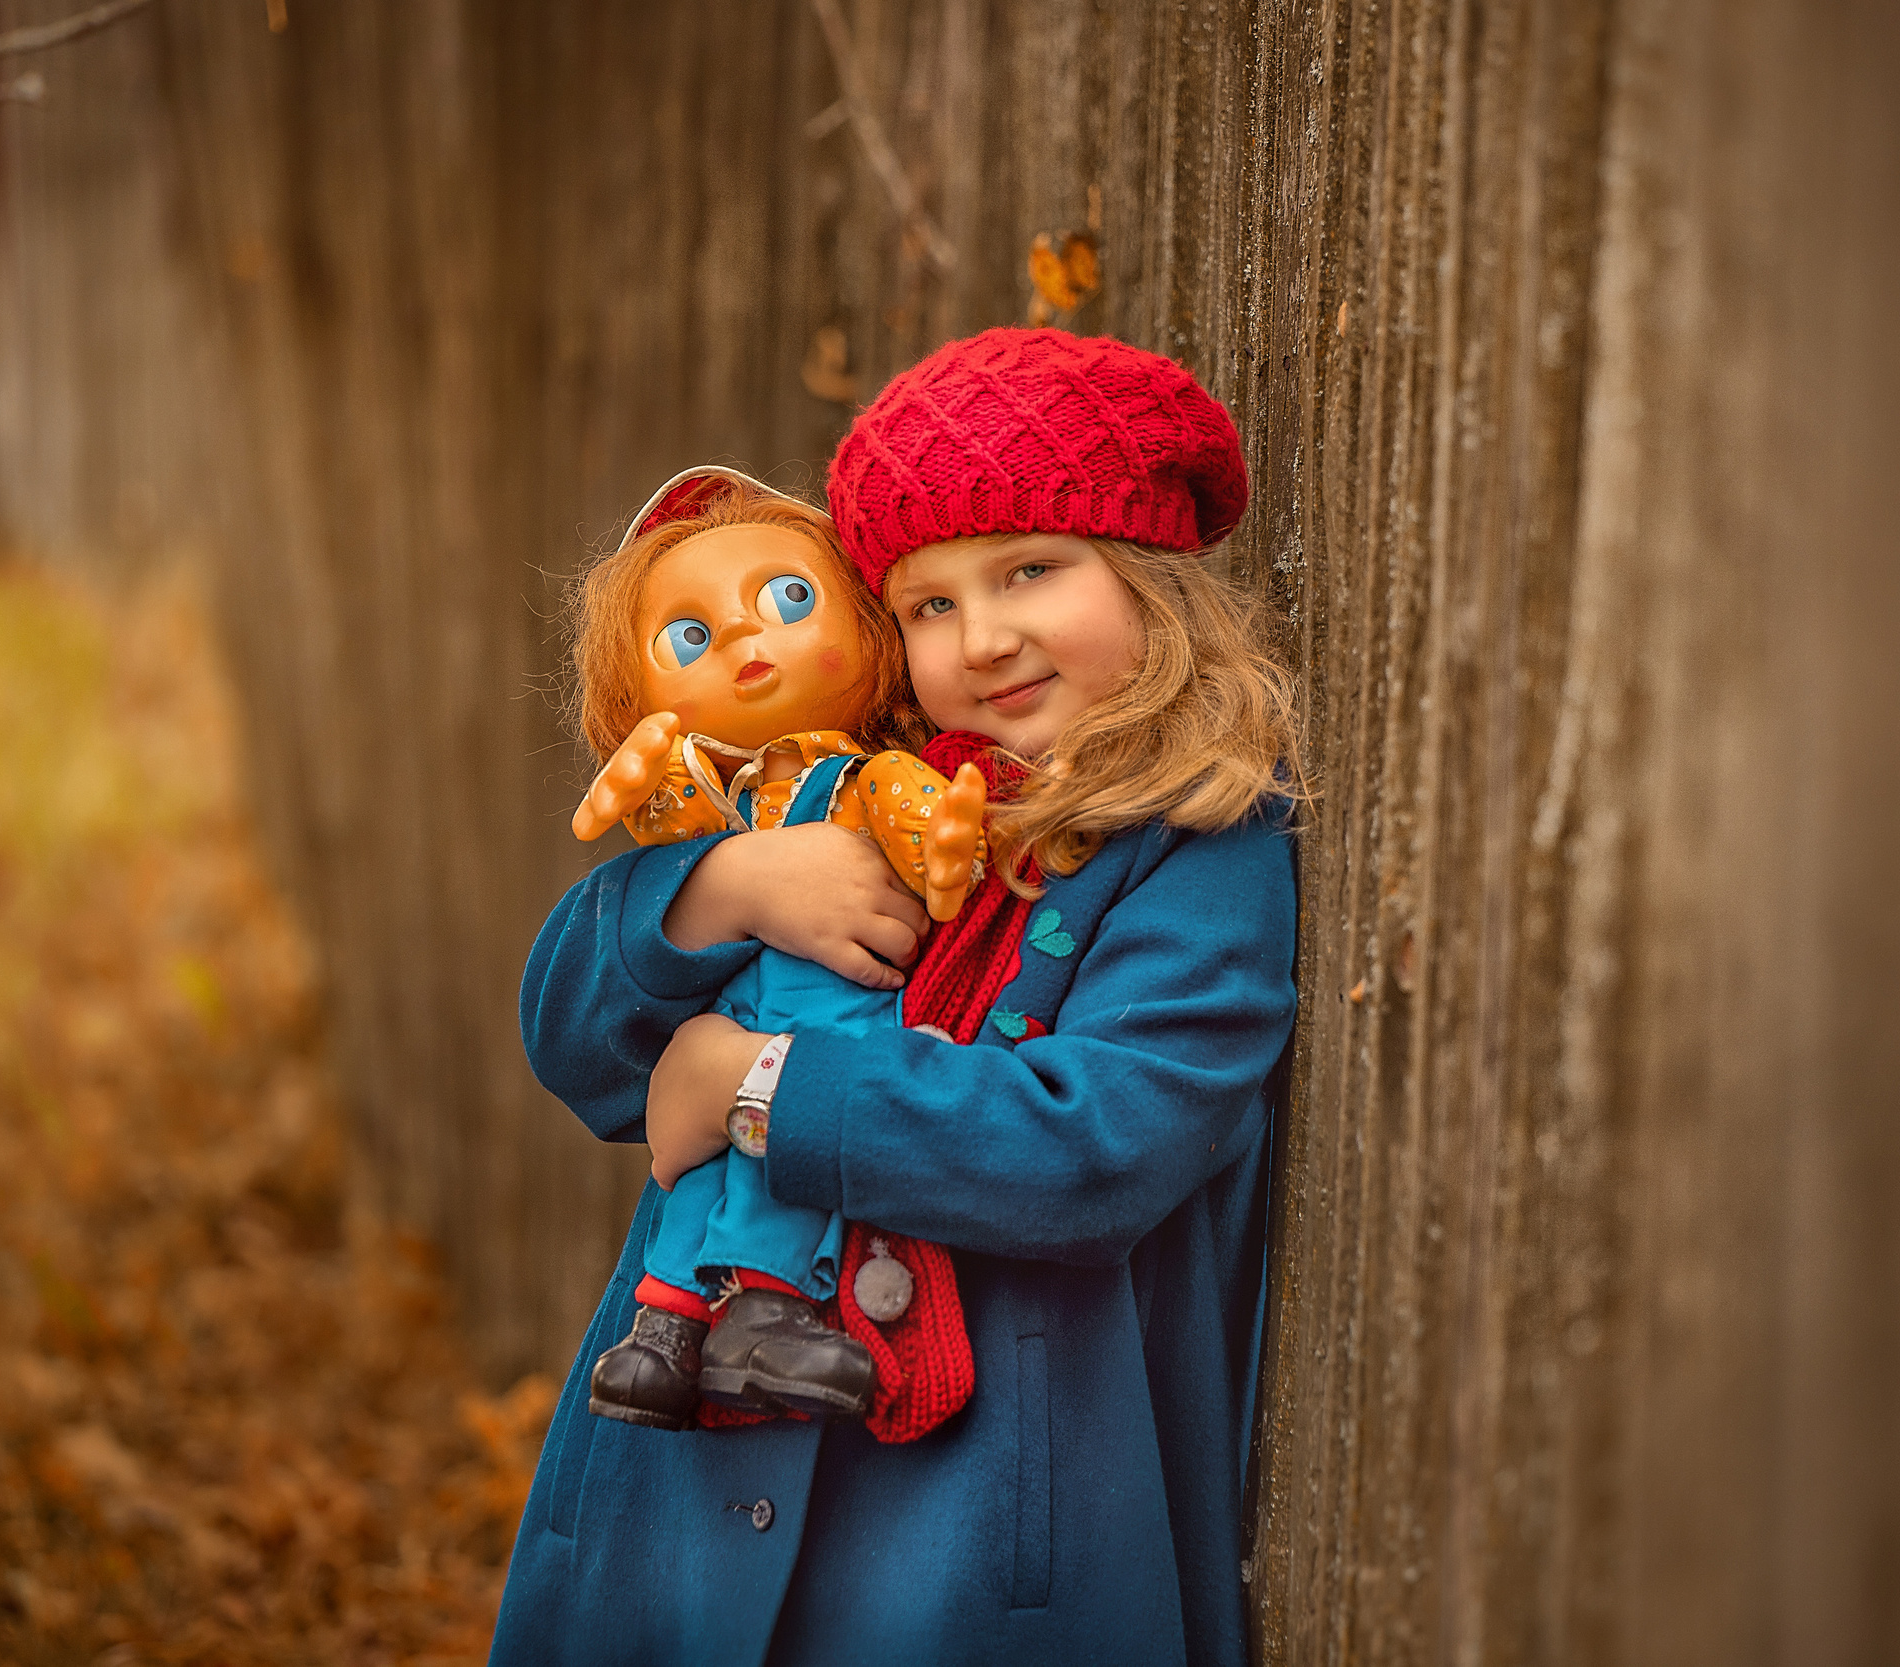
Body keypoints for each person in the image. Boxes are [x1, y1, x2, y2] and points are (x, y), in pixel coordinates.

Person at [494, 327, 1300, 1667]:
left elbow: (1098, 1143)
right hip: (697, 1485)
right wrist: (726, 889)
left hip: (980, 1522)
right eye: (927, 604)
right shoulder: (863, 795)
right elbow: (577, 1048)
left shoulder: (1199, 847)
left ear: (1148, 574)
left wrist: (756, 1084)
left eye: (1030, 569)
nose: (983, 638)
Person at [558, 467, 988, 1435]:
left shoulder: (868, 778)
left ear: (869, 629)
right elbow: (566, 1019)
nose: (743, 638)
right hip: (746, 1024)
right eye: (690, 638)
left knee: (771, 1157)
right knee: (708, 1165)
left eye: (789, 600)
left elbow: (915, 816)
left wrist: (946, 843)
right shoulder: (707, 812)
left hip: (824, 1035)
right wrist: (722, 882)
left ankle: (761, 1309)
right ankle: (665, 1328)